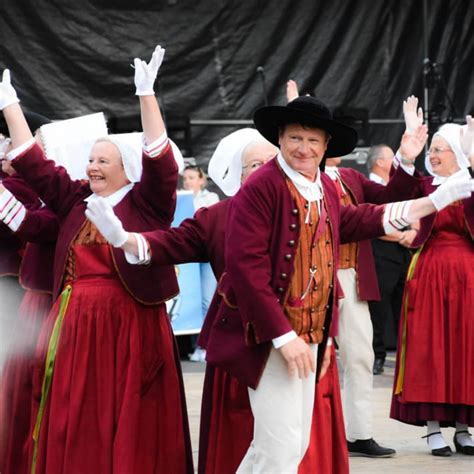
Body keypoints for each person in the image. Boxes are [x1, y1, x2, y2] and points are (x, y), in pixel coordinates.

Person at [86, 127, 348, 473]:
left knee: (294, 444)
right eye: (255, 165)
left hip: (304, 343)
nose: (266, 170)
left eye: (270, 162)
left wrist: (328, 336)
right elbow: (171, 243)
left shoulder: (309, 204)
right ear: (238, 175)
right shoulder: (219, 215)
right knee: (265, 444)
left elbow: (326, 278)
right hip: (245, 345)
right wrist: (126, 240)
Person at [0, 44, 193, 474]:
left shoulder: (148, 205)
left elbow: (160, 160)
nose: (92, 167)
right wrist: (10, 106)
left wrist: (147, 95)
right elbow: (36, 167)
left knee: (128, 412)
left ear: (127, 166)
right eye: (89, 159)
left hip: (130, 326)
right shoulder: (77, 201)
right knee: (74, 409)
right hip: (74, 325)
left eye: (103, 160)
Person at [390, 99, 474, 457]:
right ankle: (434, 427)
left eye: (441, 149)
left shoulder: (470, 184)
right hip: (428, 272)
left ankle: (463, 426)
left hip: (469, 276)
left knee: (464, 348)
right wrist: (408, 148)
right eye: (433, 149)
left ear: (459, 152)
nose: (435, 154)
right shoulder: (425, 184)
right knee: (430, 347)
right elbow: (394, 193)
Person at [366, 144, 413, 375]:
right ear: (380, 162)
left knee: (404, 309)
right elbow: (371, 225)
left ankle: (407, 358)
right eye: (390, 158)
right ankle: (378, 356)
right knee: (379, 310)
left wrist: (413, 231)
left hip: (403, 256)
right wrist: (402, 235)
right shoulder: (369, 187)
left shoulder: (394, 187)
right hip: (380, 257)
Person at [182, 164, 220, 361]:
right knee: (189, 302)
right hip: (185, 258)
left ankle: (206, 346)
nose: (187, 181)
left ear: (201, 180)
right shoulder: (177, 199)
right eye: (185, 178)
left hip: (205, 255)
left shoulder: (211, 199)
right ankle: (196, 345)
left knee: (207, 301)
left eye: (191, 178)